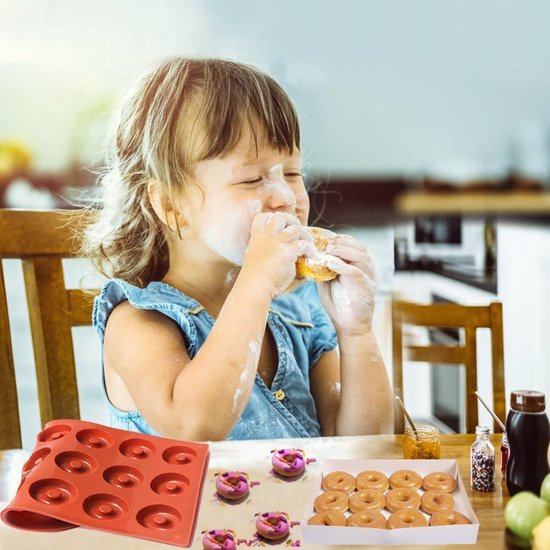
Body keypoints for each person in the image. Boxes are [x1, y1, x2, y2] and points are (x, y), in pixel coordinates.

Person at [85, 58, 394, 441]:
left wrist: (357, 332)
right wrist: (256, 284)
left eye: (293, 174)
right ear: (170, 205)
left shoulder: (302, 314)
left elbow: (366, 445)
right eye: (252, 178)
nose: (286, 198)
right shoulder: (140, 322)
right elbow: (196, 427)